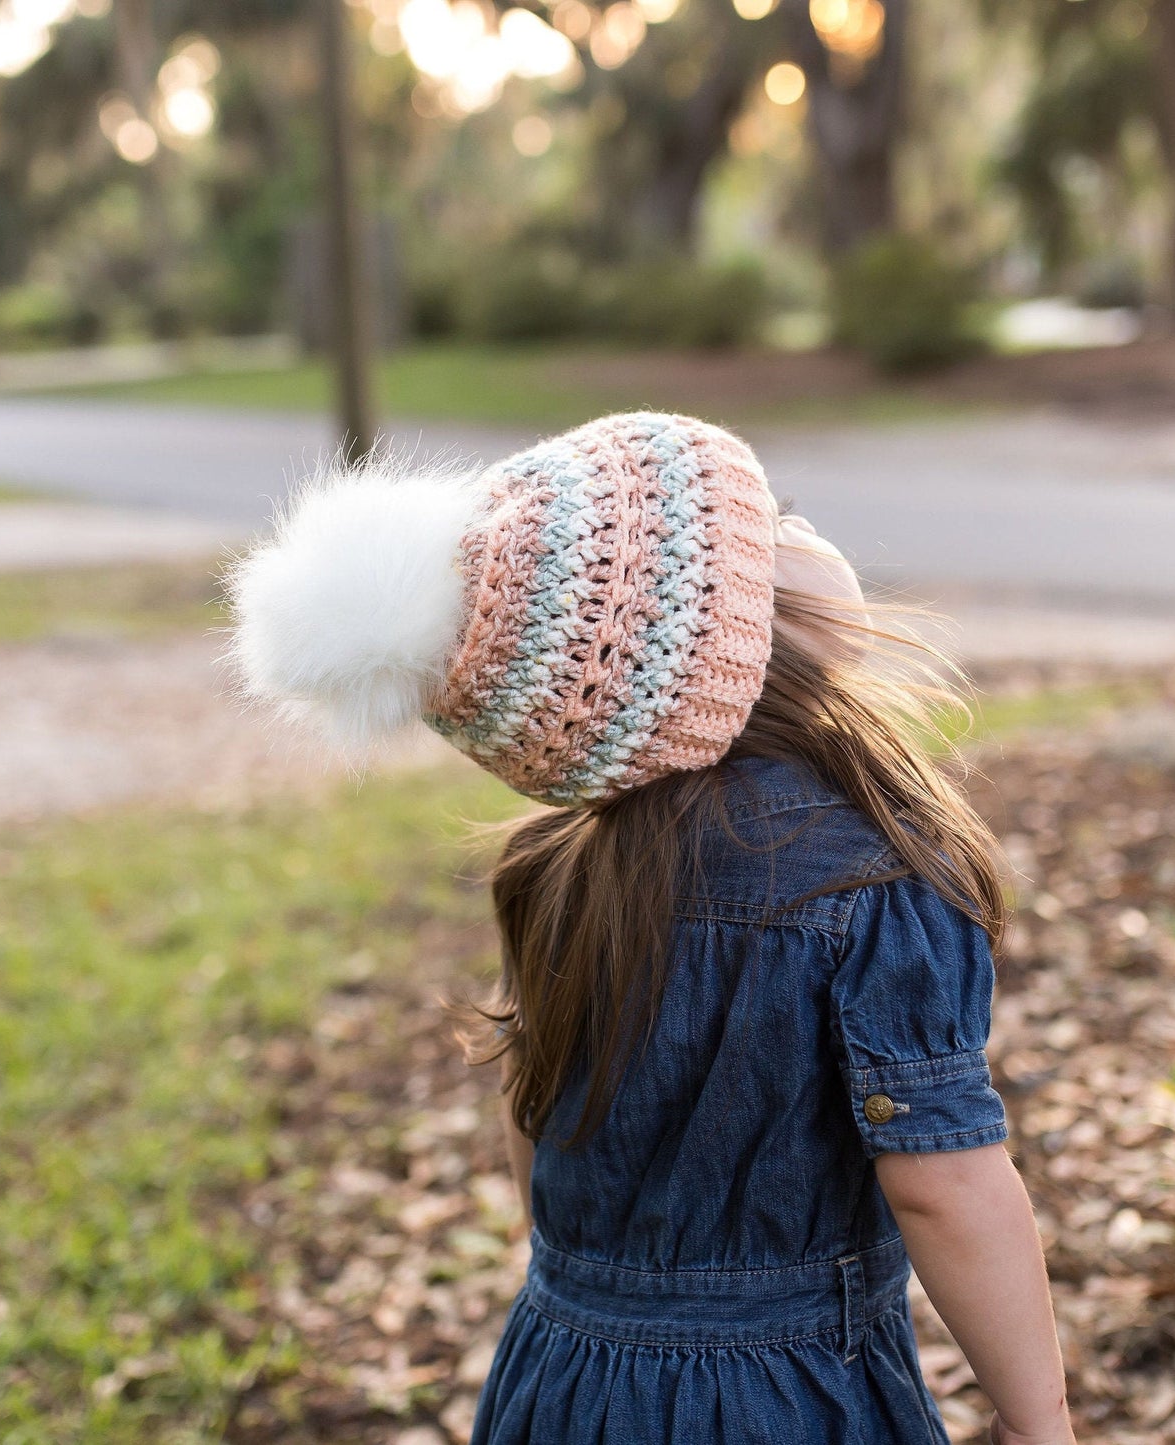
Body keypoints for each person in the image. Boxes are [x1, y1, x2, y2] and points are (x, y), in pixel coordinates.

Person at [227, 412, 1077, 1445]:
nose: (806, 528)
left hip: (562, 1368)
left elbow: (531, 1119)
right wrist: (1042, 1424)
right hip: (782, 1395)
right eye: (771, 519)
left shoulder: (555, 867)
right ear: (731, 633)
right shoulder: (867, 876)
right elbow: (945, 1184)